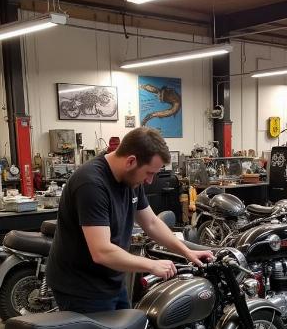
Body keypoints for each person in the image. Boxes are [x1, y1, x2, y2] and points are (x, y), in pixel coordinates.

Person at [47, 127, 213, 314]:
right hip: (81, 288)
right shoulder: (91, 184)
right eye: (149, 173)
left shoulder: (132, 179)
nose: (150, 181)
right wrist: (151, 265)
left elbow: (151, 222)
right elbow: (101, 251)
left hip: (112, 279)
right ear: (131, 161)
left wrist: (187, 252)